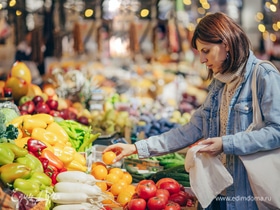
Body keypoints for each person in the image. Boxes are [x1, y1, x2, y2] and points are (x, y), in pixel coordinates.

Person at [103, 12, 280, 210]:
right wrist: (136, 148)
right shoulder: (219, 84)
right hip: (215, 192)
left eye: (206, 50)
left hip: (247, 196)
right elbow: (191, 130)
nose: (203, 59)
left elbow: (277, 131)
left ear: (227, 44)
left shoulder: (264, 75)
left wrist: (225, 143)